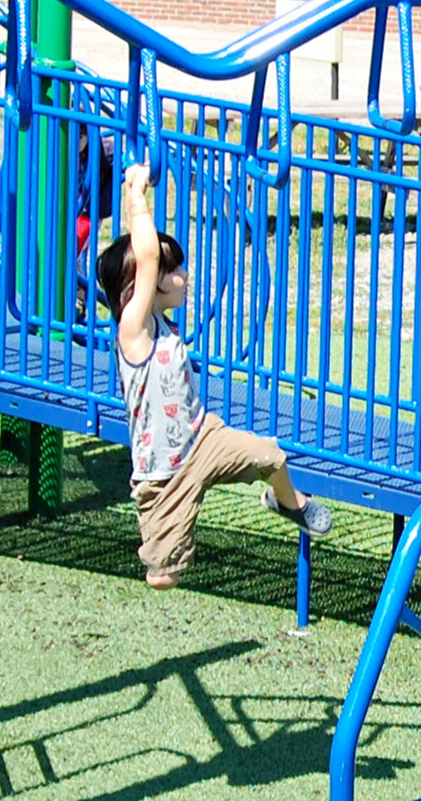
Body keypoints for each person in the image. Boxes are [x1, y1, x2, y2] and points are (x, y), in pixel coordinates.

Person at [96, 161, 331, 589]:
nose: (183, 277)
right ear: (139, 286)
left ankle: (289, 503)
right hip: (163, 475)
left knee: (270, 455)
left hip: (202, 438)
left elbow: (150, 260)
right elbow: (146, 256)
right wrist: (135, 195)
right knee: (163, 578)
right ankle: (163, 540)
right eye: (172, 272)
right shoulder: (134, 330)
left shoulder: (163, 325)